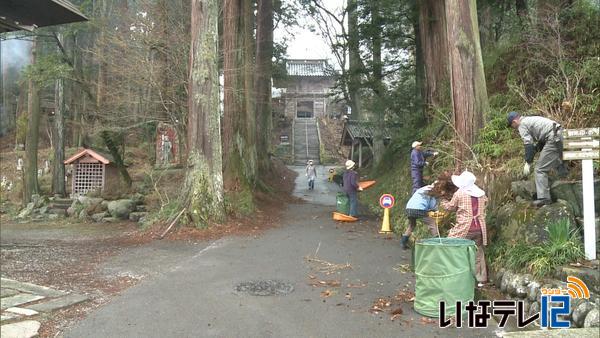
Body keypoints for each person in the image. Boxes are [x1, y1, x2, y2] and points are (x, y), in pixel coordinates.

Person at [507, 112, 568, 207]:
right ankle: (565, 183)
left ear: (514, 121)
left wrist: (528, 162)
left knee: (540, 169)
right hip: (559, 134)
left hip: (553, 137)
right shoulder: (529, 119)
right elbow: (541, 139)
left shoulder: (521, 125)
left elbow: (528, 144)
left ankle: (544, 198)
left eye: (512, 125)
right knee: (556, 162)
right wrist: (535, 149)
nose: (513, 128)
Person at [441, 170, 488, 287]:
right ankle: (480, 278)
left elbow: (450, 207)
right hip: (480, 228)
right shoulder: (481, 194)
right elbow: (486, 202)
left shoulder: (460, 193)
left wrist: (443, 201)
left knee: (451, 246)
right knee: (478, 252)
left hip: (465, 227)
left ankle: (456, 275)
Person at [400, 172, 457, 250]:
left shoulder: (425, 188)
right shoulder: (433, 192)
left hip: (409, 208)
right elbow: (432, 206)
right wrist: (436, 211)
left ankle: (403, 242)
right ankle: (437, 242)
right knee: (432, 223)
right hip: (419, 209)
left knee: (412, 225)